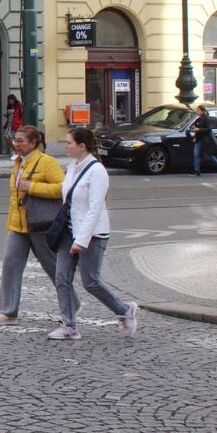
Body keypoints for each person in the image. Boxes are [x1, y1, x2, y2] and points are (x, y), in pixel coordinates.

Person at [48, 127, 139, 340]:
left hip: (92, 234)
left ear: (82, 146)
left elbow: (94, 208)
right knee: (61, 278)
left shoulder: (97, 171)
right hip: (68, 231)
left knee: (90, 281)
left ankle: (125, 311)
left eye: (69, 142)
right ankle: (69, 326)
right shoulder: (72, 167)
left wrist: (81, 241)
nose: (66, 146)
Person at [0, 125, 67, 325]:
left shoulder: (46, 162)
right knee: (10, 263)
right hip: (18, 225)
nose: (16, 144)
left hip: (40, 224)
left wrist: (32, 187)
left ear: (33, 143)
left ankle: (71, 306)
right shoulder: (18, 162)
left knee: (52, 266)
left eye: (21, 141)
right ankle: (8, 312)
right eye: (16, 140)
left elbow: (62, 189)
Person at [189, 104, 217, 177]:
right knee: (196, 154)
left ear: (202, 111)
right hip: (199, 140)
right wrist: (194, 135)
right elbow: (195, 127)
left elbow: (208, 129)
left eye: (198, 110)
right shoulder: (198, 119)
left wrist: (199, 129)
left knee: (208, 155)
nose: (197, 111)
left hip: (206, 141)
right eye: (197, 110)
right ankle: (197, 171)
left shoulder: (206, 119)